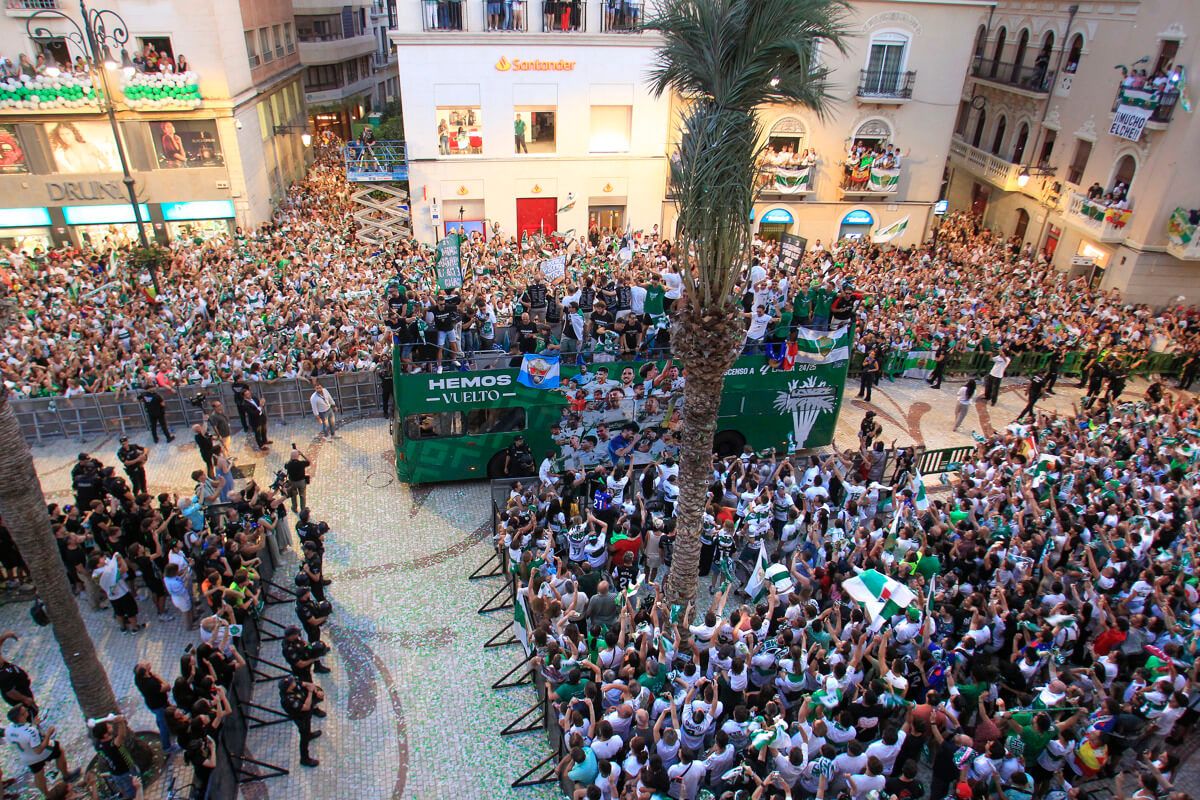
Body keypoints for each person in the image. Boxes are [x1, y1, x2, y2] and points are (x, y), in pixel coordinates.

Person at [5, 703, 80, 797]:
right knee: (58, 750)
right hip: (39, 753)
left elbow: (19, 737)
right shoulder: (31, 731)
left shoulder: (9, 729)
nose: (28, 712)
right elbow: (38, 750)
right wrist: (48, 734)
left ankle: (46, 795)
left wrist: (34, 725)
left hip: (26, 756)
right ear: (20, 717)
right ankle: (66, 775)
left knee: (38, 773)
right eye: (25, 712)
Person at [278, 675, 323, 768]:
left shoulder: (294, 685)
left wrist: (315, 690)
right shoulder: (288, 699)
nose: (295, 682)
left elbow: (307, 684)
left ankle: (309, 734)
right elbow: (305, 707)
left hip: (306, 715)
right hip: (300, 718)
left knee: (308, 727)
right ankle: (305, 759)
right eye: (292, 682)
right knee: (304, 737)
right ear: (289, 687)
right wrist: (310, 692)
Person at [242, 387, 269, 451]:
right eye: (247, 394)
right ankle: (261, 445)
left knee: (264, 430)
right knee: (258, 433)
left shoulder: (254, 398)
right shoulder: (245, 404)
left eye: (249, 393)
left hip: (261, 416)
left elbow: (260, 404)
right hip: (255, 420)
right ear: (244, 396)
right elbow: (253, 413)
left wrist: (262, 403)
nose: (249, 395)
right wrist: (260, 406)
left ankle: (265, 440)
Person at [285, 447, 311, 512]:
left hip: (292, 482)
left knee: (293, 496)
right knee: (302, 495)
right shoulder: (301, 463)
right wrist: (301, 454)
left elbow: (285, 466)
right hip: (301, 482)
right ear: (297, 456)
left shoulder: (288, 464)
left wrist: (291, 458)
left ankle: (294, 507)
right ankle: (303, 509)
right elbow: (308, 462)